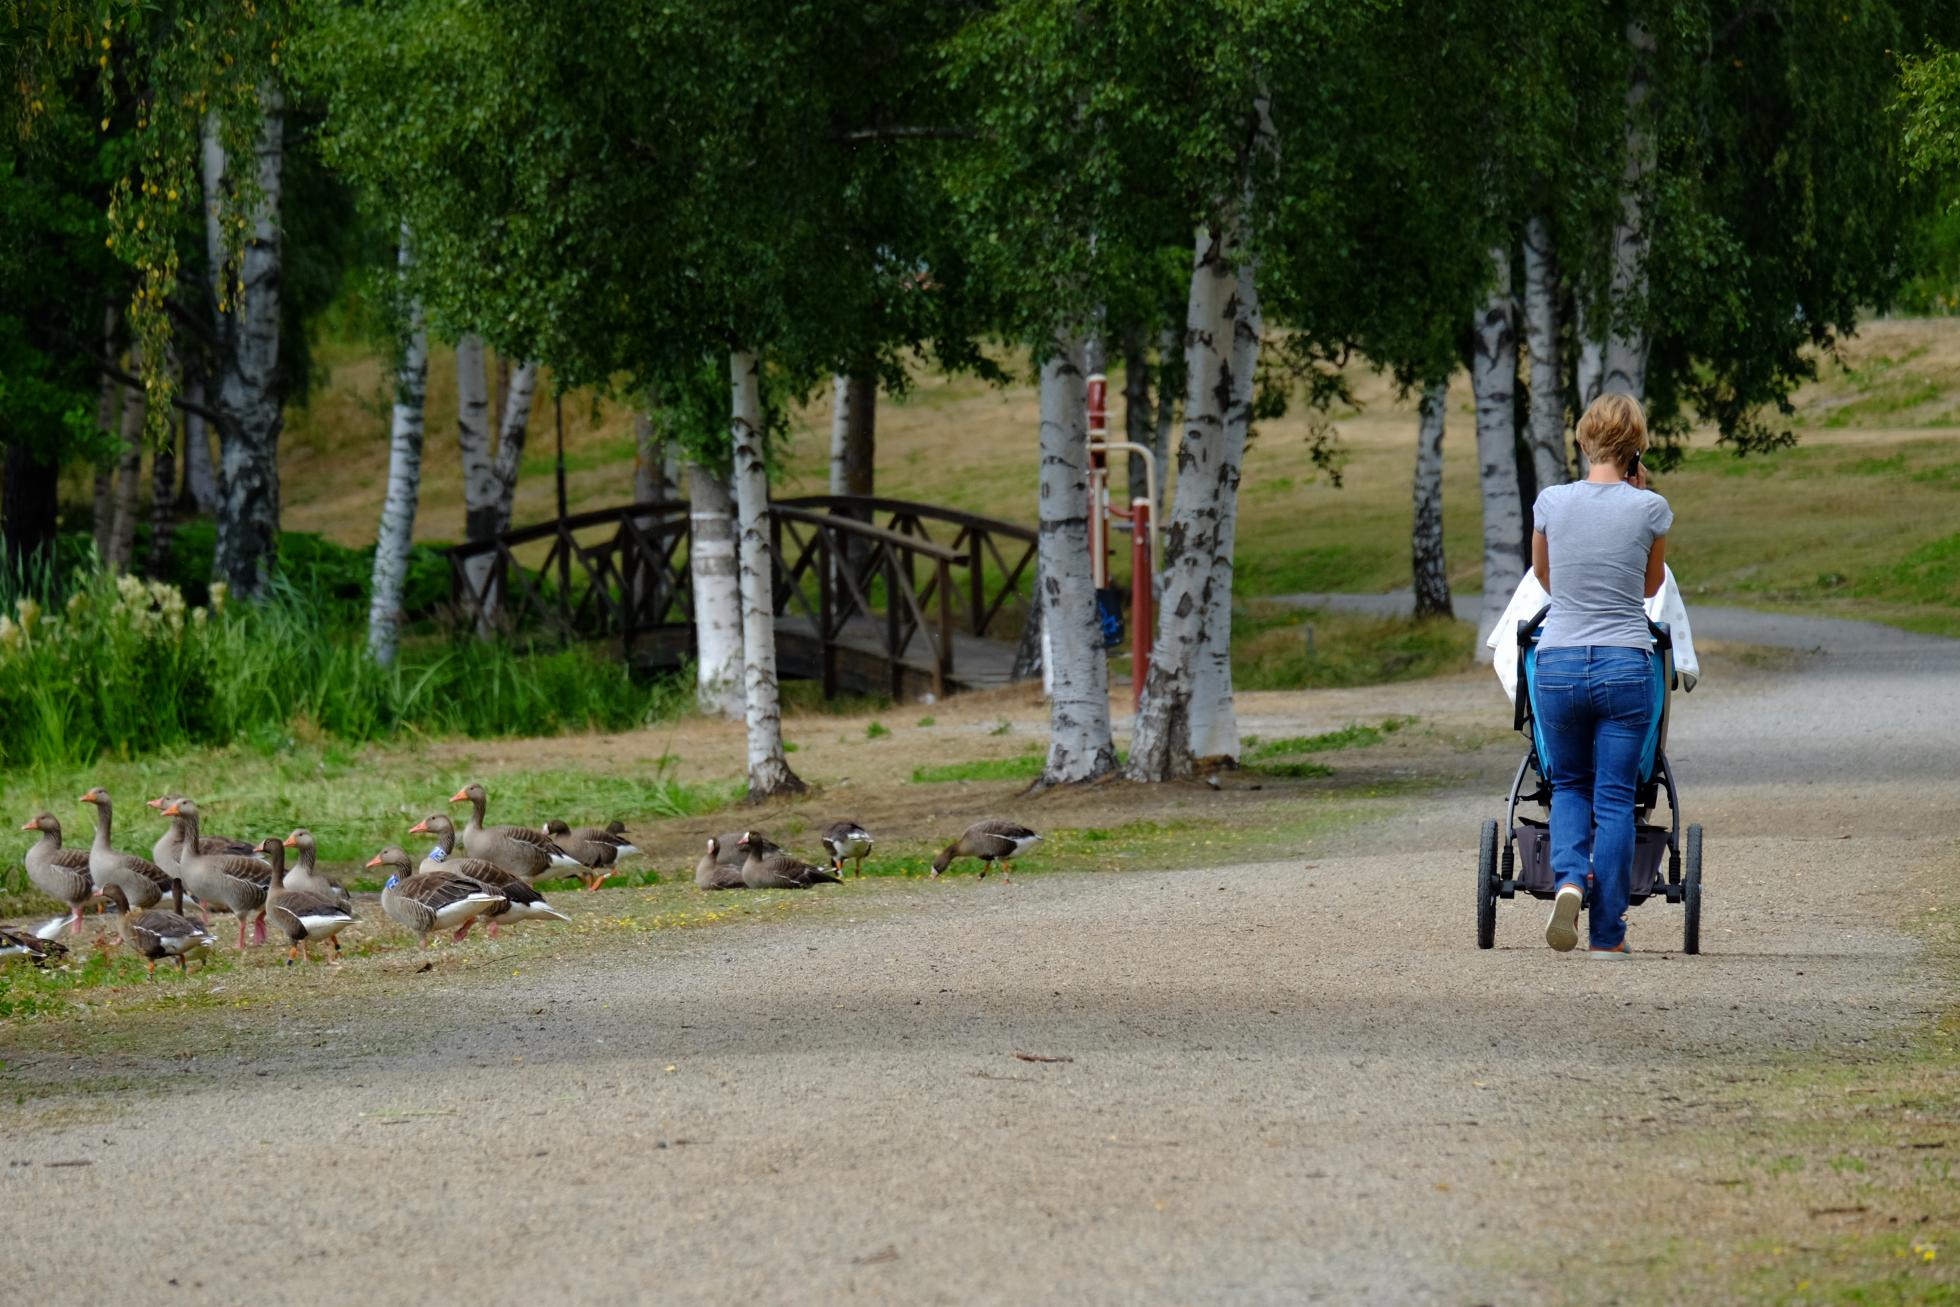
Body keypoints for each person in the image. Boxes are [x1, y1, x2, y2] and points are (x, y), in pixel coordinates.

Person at [1530, 392, 1673, 957]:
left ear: (1583, 442)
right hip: (1623, 661)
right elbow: (1651, 586)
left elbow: (1544, 577)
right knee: (1615, 798)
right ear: (1637, 449)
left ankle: (1568, 879)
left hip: (1560, 659)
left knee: (1568, 784)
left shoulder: (1551, 502)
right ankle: (1607, 936)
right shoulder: (1652, 507)